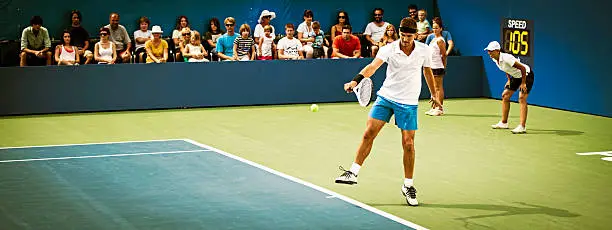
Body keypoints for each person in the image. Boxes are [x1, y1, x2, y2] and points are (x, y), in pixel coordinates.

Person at [335, 17, 440, 207]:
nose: (405, 39)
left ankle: (408, 185)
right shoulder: (389, 49)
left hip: (408, 102)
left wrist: (434, 94)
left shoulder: (425, 50)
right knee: (368, 133)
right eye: (403, 35)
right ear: (399, 33)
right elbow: (372, 67)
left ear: (415, 35)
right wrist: (355, 81)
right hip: (386, 97)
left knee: (408, 144)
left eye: (409, 36)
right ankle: (353, 172)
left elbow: (427, 72)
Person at [485, 41, 534, 134]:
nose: (489, 53)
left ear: (497, 51)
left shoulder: (507, 58)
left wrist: (523, 83)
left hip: (526, 74)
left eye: (491, 51)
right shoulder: (495, 59)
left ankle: (522, 126)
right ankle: (504, 123)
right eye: (488, 51)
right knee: (505, 96)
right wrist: (508, 80)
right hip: (516, 76)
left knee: (522, 98)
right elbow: (506, 69)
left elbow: (522, 68)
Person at [425, 18, 447, 116]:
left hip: (438, 66)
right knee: (434, 87)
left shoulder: (440, 40)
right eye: (433, 28)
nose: (434, 30)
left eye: (436, 28)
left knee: (438, 87)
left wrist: (443, 66)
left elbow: (444, 55)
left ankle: (440, 108)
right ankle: (434, 107)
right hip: (431, 66)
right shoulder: (433, 39)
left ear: (441, 29)